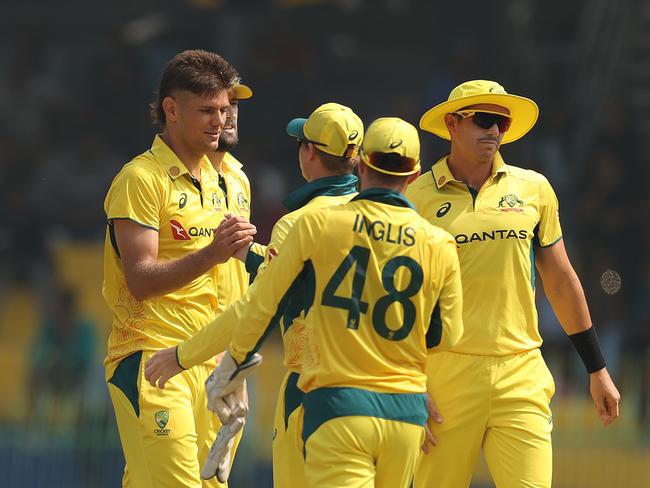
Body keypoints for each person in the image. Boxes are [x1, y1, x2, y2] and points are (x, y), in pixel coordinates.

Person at [145, 117, 465, 488]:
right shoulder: (436, 241)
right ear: (414, 175)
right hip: (405, 407)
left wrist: (203, 359)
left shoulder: (309, 225)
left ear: (361, 164)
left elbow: (261, 305)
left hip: (323, 397)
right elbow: (444, 335)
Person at [406, 79, 621, 488]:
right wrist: (407, 384)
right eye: (484, 120)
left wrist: (597, 369)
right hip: (442, 375)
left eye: (501, 124)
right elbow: (399, 297)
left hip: (521, 370)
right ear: (452, 124)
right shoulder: (415, 197)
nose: (494, 131)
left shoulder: (533, 188)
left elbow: (560, 279)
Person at [102, 49, 256, 488]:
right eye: (207, 110)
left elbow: (234, 275)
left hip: (220, 367)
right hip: (154, 358)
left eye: (225, 110)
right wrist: (211, 253)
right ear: (171, 109)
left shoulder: (229, 179)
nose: (220, 120)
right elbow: (140, 278)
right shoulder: (141, 178)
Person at [243, 102, 362, 487]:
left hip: (309, 384)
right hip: (382, 386)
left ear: (309, 152)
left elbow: (266, 299)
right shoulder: (385, 217)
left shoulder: (295, 223)